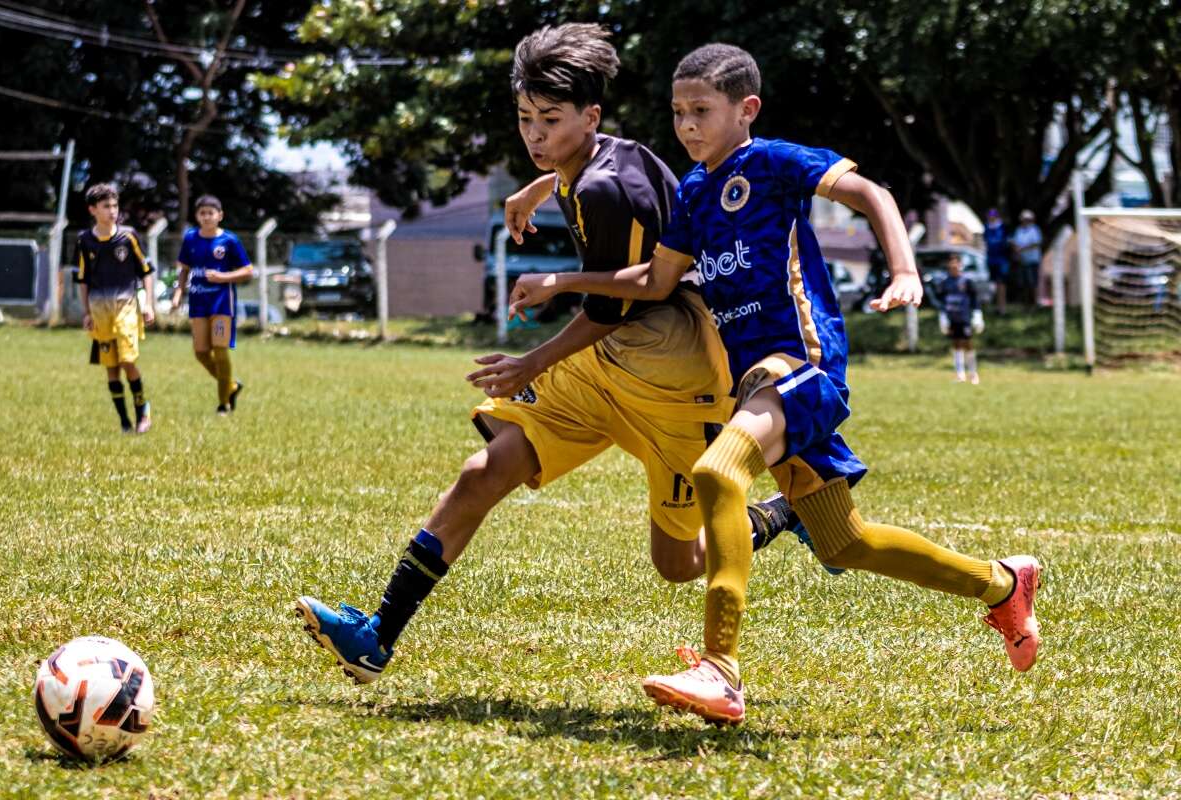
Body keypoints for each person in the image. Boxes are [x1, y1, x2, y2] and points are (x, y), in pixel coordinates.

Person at [510, 43, 1041, 725]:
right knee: (846, 541)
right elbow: (653, 281)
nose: (688, 126)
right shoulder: (697, 193)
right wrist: (561, 278)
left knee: (717, 473)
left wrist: (905, 270)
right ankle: (1002, 582)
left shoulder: (773, 162)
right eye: (678, 112)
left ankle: (721, 670)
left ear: (746, 109)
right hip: (755, 385)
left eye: (702, 111)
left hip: (803, 364)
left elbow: (869, 192)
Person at [292, 25, 814, 686]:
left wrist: (532, 359)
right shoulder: (601, 156)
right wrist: (533, 190)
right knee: (483, 471)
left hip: (673, 377)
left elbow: (616, 305)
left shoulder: (604, 189)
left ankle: (775, 514)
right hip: (604, 364)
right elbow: (590, 187)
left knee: (677, 562)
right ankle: (376, 635)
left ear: (588, 117)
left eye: (551, 121)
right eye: (525, 119)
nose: (535, 136)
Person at [74, 183, 155, 434]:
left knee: (127, 360)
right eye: (106, 206)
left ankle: (143, 412)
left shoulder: (128, 236)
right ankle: (124, 421)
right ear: (93, 210)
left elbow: (146, 272)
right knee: (111, 368)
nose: (112, 211)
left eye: (115, 205)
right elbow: (83, 279)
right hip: (100, 311)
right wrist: (86, 311)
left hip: (126, 307)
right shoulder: (85, 241)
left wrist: (148, 303)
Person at [170, 195, 254, 415]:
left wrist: (222, 277)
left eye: (211, 213)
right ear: (197, 216)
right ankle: (232, 386)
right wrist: (178, 293)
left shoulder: (229, 241)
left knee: (220, 348)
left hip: (221, 304)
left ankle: (223, 404)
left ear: (220, 216)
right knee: (200, 352)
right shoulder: (190, 239)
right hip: (198, 302)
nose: (207, 217)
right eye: (202, 213)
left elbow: (248, 270)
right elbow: (184, 269)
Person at [937, 253, 983, 383]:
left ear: (960, 265)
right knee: (956, 344)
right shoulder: (945, 283)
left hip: (964, 317)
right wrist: (942, 316)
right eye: (951, 263)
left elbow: (975, 300)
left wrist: (978, 315)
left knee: (968, 344)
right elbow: (942, 301)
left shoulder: (967, 282)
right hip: (952, 317)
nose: (954, 266)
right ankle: (960, 374)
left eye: (956, 263)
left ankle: (973, 373)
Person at [1012, 209, 1043, 308]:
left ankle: (1034, 303)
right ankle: (1025, 304)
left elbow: (1036, 243)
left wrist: (1022, 249)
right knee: (1023, 283)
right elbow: (1015, 243)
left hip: (1033, 260)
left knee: (1033, 283)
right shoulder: (1019, 230)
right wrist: (1016, 250)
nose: (1025, 221)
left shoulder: (1035, 230)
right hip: (1022, 260)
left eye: (1027, 219)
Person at [983, 208, 1010, 315]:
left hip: (1002, 260)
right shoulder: (986, 227)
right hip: (991, 259)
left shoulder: (1003, 227)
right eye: (990, 216)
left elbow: (1007, 243)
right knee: (994, 284)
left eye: (993, 216)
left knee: (1001, 284)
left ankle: (1002, 308)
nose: (991, 218)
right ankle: (996, 307)